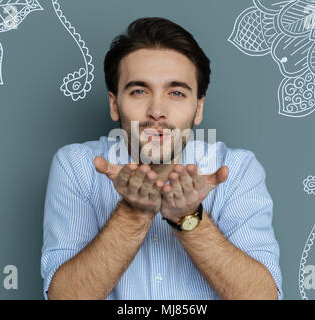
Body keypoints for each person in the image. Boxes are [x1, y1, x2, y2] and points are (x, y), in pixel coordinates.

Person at [41, 17, 282, 300]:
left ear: (198, 108)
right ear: (114, 105)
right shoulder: (76, 167)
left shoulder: (238, 170)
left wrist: (189, 217)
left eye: (176, 93)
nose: (157, 110)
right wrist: (133, 214)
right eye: (139, 91)